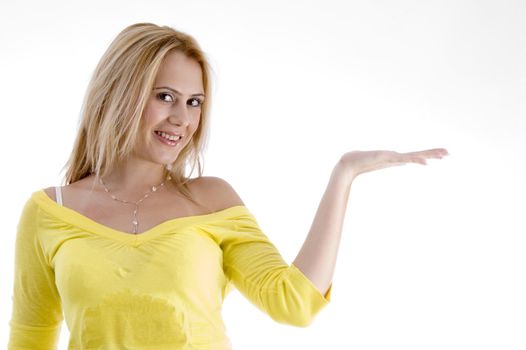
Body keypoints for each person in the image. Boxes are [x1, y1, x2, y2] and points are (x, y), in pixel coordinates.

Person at [7, 22, 449, 349]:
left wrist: (344, 175)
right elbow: (31, 339)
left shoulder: (209, 200)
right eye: (164, 97)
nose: (182, 119)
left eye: (194, 102)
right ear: (120, 94)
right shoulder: (50, 213)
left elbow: (293, 303)